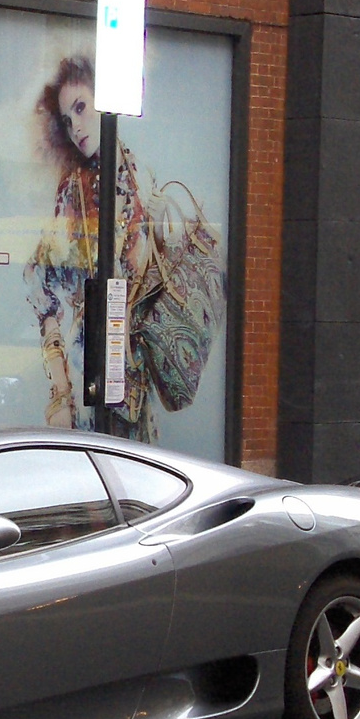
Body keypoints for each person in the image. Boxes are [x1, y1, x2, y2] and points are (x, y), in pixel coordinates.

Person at [24, 55, 225, 442]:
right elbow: (42, 292)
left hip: (136, 388)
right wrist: (60, 394)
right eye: (68, 119)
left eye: (81, 108)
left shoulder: (139, 176)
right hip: (92, 386)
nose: (76, 126)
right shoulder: (74, 193)